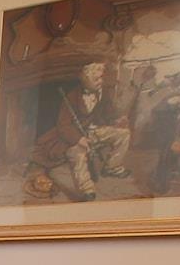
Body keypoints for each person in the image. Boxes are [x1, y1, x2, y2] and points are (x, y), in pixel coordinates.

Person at [25, 62, 132, 201]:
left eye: (101, 78)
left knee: (123, 134)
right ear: (86, 80)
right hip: (72, 135)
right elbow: (63, 126)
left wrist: (118, 119)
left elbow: (109, 112)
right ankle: (86, 189)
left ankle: (112, 167)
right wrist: (79, 139)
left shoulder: (102, 93)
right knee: (77, 153)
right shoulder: (71, 97)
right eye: (96, 79)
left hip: (93, 131)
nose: (100, 81)